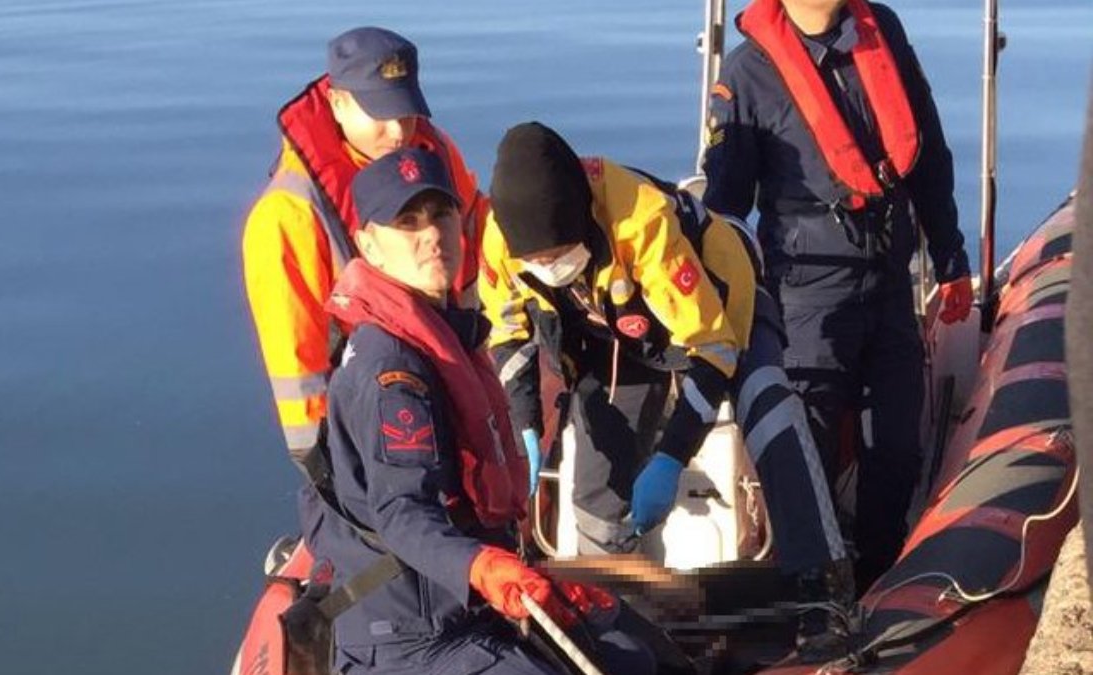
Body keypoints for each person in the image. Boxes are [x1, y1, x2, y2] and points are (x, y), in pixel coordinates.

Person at [480, 122, 850, 649]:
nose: (547, 267)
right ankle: (622, 619)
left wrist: (673, 456)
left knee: (771, 411)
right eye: (536, 262)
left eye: (556, 253)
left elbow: (713, 347)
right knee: (597, 479)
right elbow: (509, 332)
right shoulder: (502, 240)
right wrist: (525, 425)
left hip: (719, 306)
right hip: (616, 332)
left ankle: (821, 587)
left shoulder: (643, 219)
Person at [300, 147, 655, 675]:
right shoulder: (391, 373)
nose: (431, 235)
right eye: (407, 222)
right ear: (369, 245)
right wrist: (483, 567)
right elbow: (401, 514)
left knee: (635, 656)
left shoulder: (437, 330)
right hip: (410, 633)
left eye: (441, 215)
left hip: (460, 602)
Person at [701, 0, 974, 593]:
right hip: (806, 297)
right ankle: (812, 592)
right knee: (810, 454)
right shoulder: (747, 74)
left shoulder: (881, 30)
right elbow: (724, 210)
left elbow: (928, 152)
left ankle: (882, 580)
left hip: (891, 283)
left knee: (896, 449)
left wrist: (950, 254)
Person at [241, 26, 485, 479]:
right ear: (337, 103)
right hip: (367, 414)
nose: (398, 132)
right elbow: (296, 364)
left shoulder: (432, 150)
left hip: (448, 373)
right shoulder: (288, 214)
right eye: (380, 113)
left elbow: (477, 229)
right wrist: (323, 466)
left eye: (405, 111)